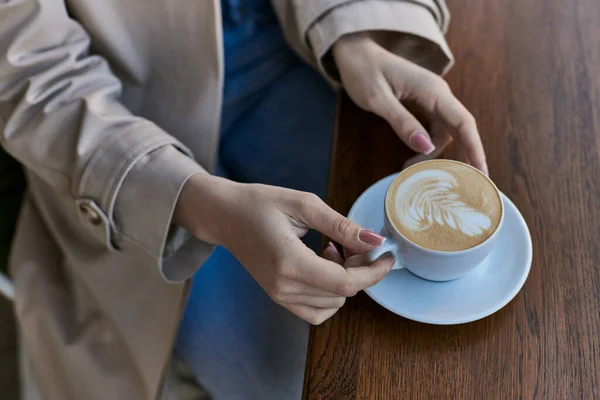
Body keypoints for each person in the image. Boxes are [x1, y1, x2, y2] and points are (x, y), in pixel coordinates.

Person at [0, 0, 487, 399]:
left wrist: (352, 28)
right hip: (119, 124)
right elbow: (29, 74)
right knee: (279, 375)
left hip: (292, 45)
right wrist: (206, 209)